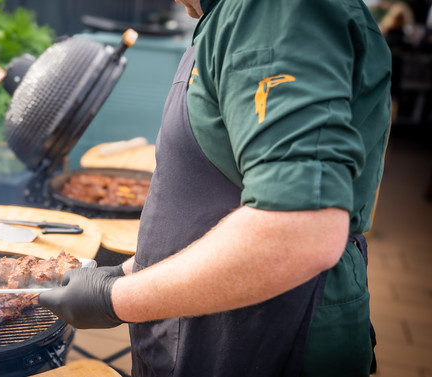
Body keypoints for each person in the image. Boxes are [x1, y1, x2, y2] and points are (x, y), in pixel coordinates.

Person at [39, 0, 392, 376]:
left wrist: (116, 299)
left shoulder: (273, 13)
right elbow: (214, 196)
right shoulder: (225, 18)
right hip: (209, 332)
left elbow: (299, 229)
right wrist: (129, 273)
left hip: (268, 338)